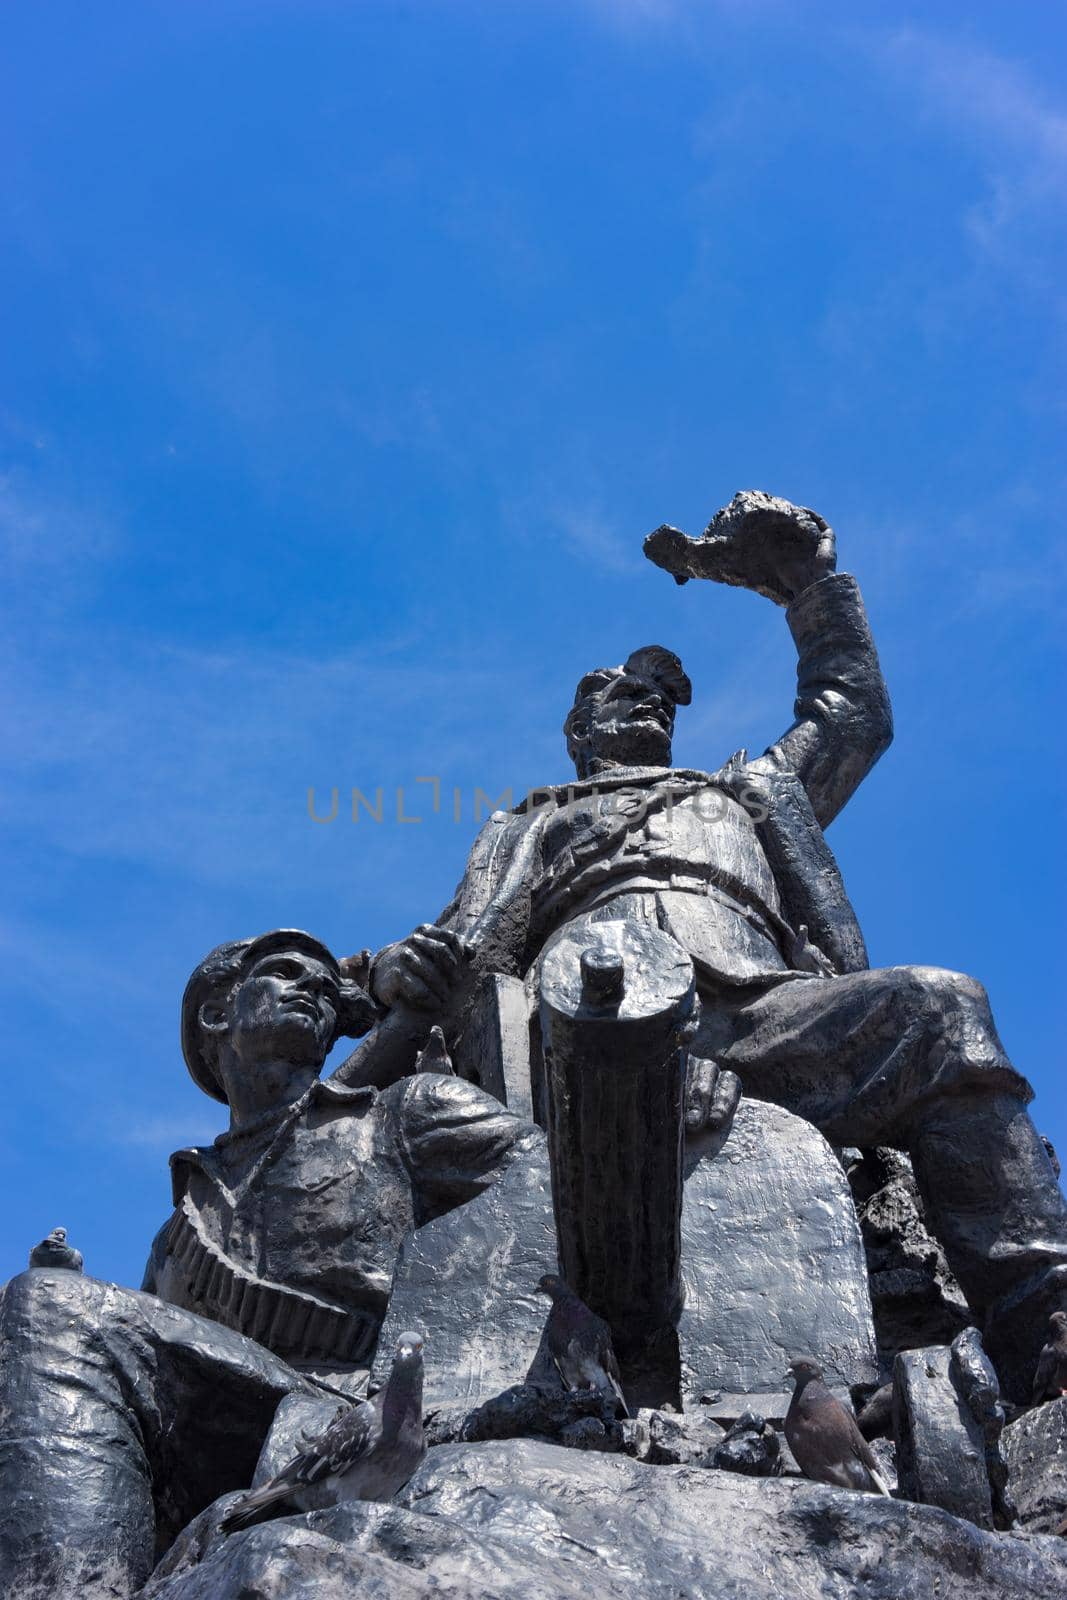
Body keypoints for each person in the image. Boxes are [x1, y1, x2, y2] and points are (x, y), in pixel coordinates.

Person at [369, 494, 1067, 1399]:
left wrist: (807, 589)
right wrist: (389, 970)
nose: (652, 704)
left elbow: (852, 714)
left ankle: (1041, 1319)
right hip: (587, 1028)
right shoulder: (531, 825)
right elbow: (460, 941)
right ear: (579, 732)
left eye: (664, 696)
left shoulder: (751, 791)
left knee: (937, 1006)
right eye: (628, 693)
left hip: (758, 1009)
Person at [0, 929, 534, 1599]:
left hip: (358, 1407)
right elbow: (141, 1385)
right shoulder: (177, 1237)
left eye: (322, 984)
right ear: (217, 1015)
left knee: (50, 1307)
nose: (311, 986)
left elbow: (555, 1192)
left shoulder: (408, 1112)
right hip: (230, 1446)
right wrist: (64, 1302)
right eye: (285, 972)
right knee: (47, 1308)